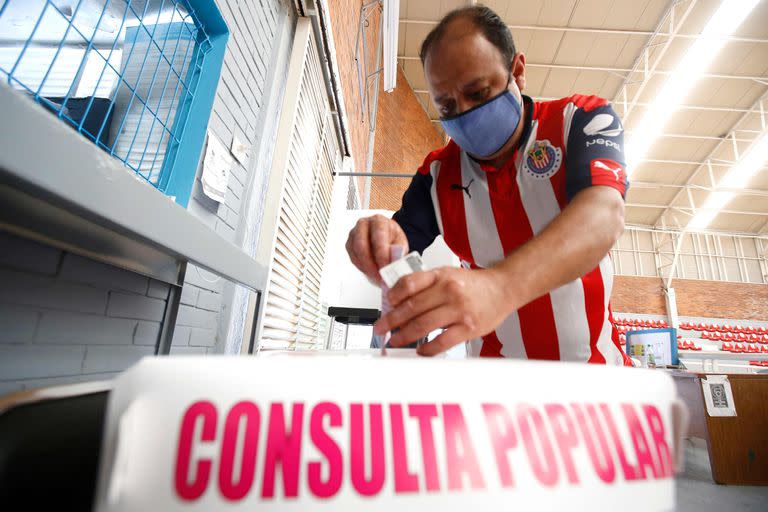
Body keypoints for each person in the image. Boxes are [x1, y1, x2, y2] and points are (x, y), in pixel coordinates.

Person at [346, 6, 631, 365]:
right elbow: (397, 254)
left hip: (595, 380)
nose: (464, 113)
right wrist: (378, 247)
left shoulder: (579, 120)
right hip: (493, 386)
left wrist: (500, 287)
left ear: (518, 71)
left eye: (478, 93)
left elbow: (603, 215)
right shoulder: (437, 175)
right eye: (447, 106)